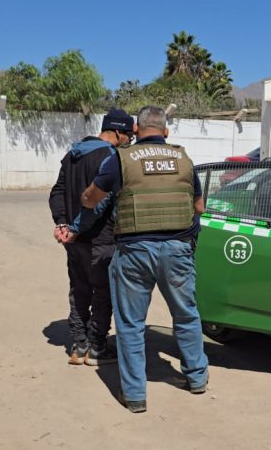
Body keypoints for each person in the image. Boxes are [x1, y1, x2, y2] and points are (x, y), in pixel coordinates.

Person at [63, 105, 209, 413]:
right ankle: (197, 378)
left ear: (136, 130)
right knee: (186, 315)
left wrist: (85, 201)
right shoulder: (184, 159)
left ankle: (134, 396)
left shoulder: (121, 159)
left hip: (134, 251)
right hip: (178, 250)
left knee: (131, 324)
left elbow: (91, 198)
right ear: (165, 131)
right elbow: (199, 207)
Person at [48, 108, 134, 366]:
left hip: (74, 242)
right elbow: (100, 203)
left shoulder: (72, 154)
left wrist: (62, 224)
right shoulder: (111, 157)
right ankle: (96, 347)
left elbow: (57, 192)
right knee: (102, 293)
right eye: (128, 135)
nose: (129, 140)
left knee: (79, 290)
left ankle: (78, 345)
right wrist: (75, 228)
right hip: (100, 239)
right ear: (117, 132)